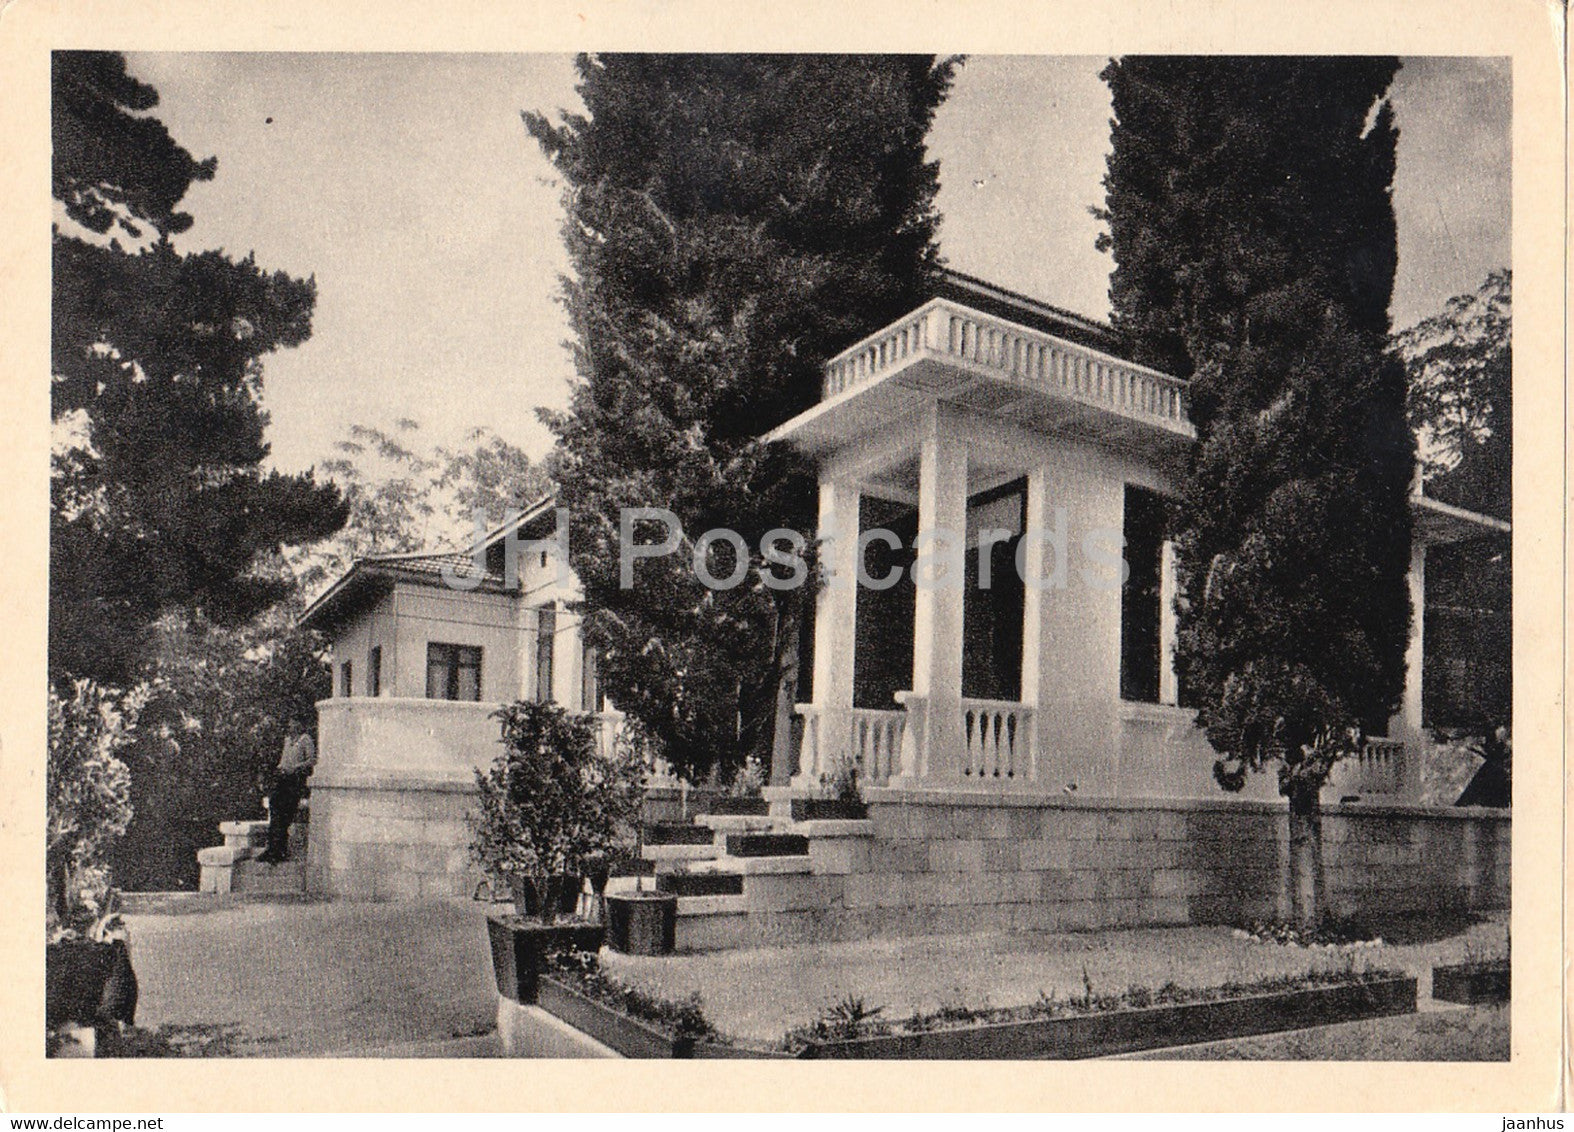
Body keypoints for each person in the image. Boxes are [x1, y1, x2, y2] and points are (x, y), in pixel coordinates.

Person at [257, 717, 316, 864]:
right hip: (282, 778)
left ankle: (279, 851)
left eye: (294, 722)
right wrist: (279, 769)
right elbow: (283, 759)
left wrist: (295, 768)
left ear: (300, 724)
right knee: (275, 811)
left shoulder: (305, 740)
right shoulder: (288, 740)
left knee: (284, 815)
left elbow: (311, 760)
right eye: (290, 722)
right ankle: (271, 849)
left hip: (294, 780)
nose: (291, 725)